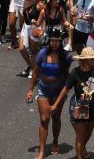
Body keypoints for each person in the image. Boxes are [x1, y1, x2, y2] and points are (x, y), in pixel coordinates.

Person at [50, 47, 94, 159]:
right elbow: (65, 90)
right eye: (92, 59)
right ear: (85, 60)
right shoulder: (75, 73)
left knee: (88, 133)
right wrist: (56, 105)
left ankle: (82, 148)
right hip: (79, 106)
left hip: (93, 106)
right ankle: (79, 156)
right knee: (81, 135)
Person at [27, 26, 72, 159]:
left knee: (56, 118)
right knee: (44, 119)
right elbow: (35, 72)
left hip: (59, 90)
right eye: (52, 40)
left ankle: (55, 142)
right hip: (44, 88)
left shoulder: (66, 56)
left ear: (61, 41)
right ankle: (41, 150)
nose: (54, 43)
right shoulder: (42, 54)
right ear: (48, 41)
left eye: (57, 41)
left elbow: (67, 76)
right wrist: (30, 90)